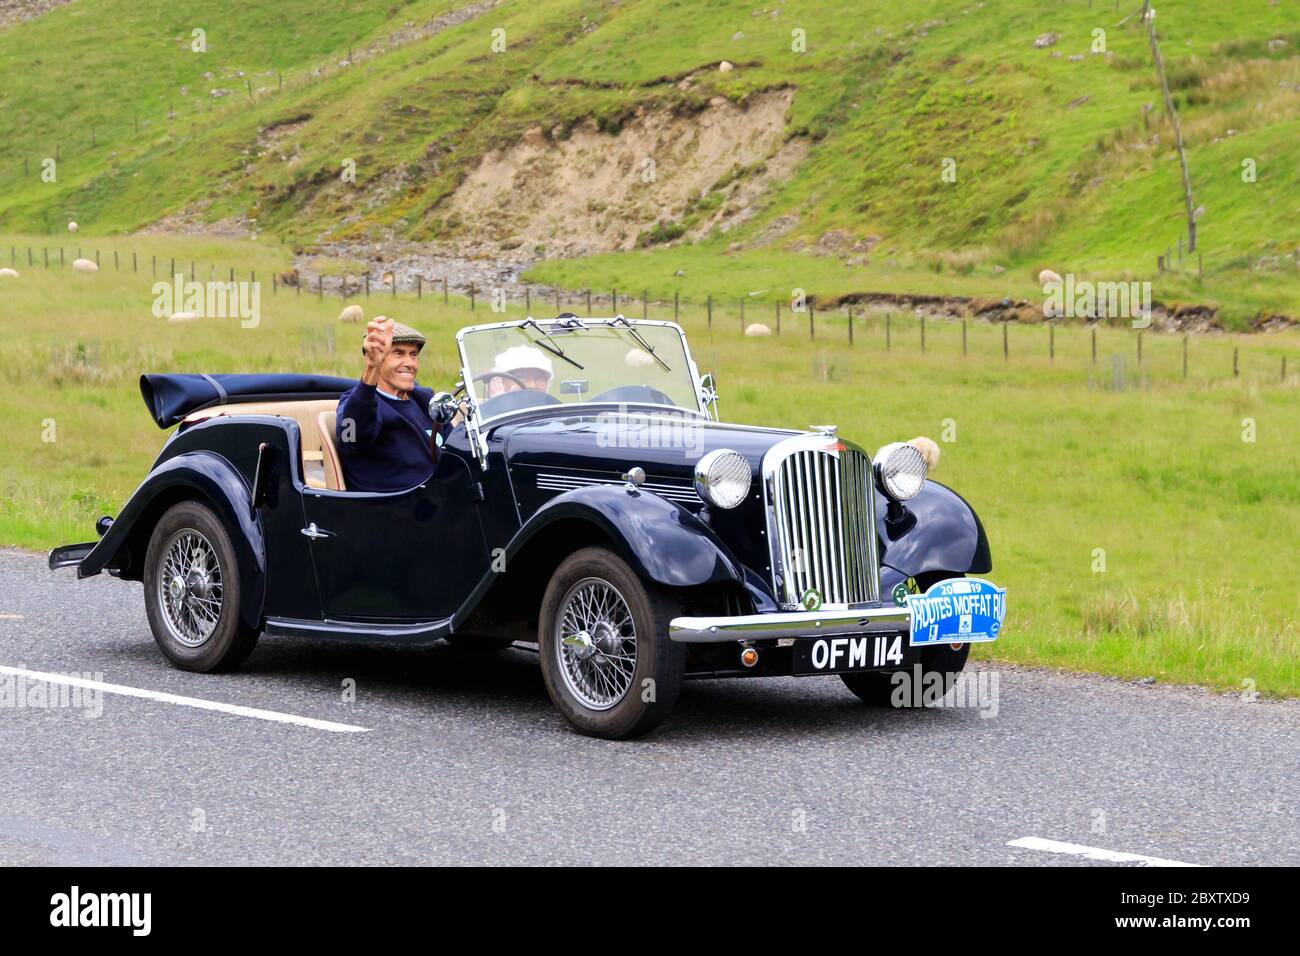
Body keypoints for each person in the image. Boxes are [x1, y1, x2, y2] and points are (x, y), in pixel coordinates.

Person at [335, 317, 446, 493]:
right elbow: (352, 440)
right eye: (398, 353)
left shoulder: (425, 400)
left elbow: (456, 451)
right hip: (394, 509)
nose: (409, 363)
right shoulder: (355, 403)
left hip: (441, 497)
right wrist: (372, 368)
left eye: (413, 354)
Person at [483, 345, 555, 399]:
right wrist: (499, 402)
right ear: (499, 383)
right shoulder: (481, 415)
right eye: (521, 377)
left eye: (539, 378)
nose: (532, 385)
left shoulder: (558, 413)